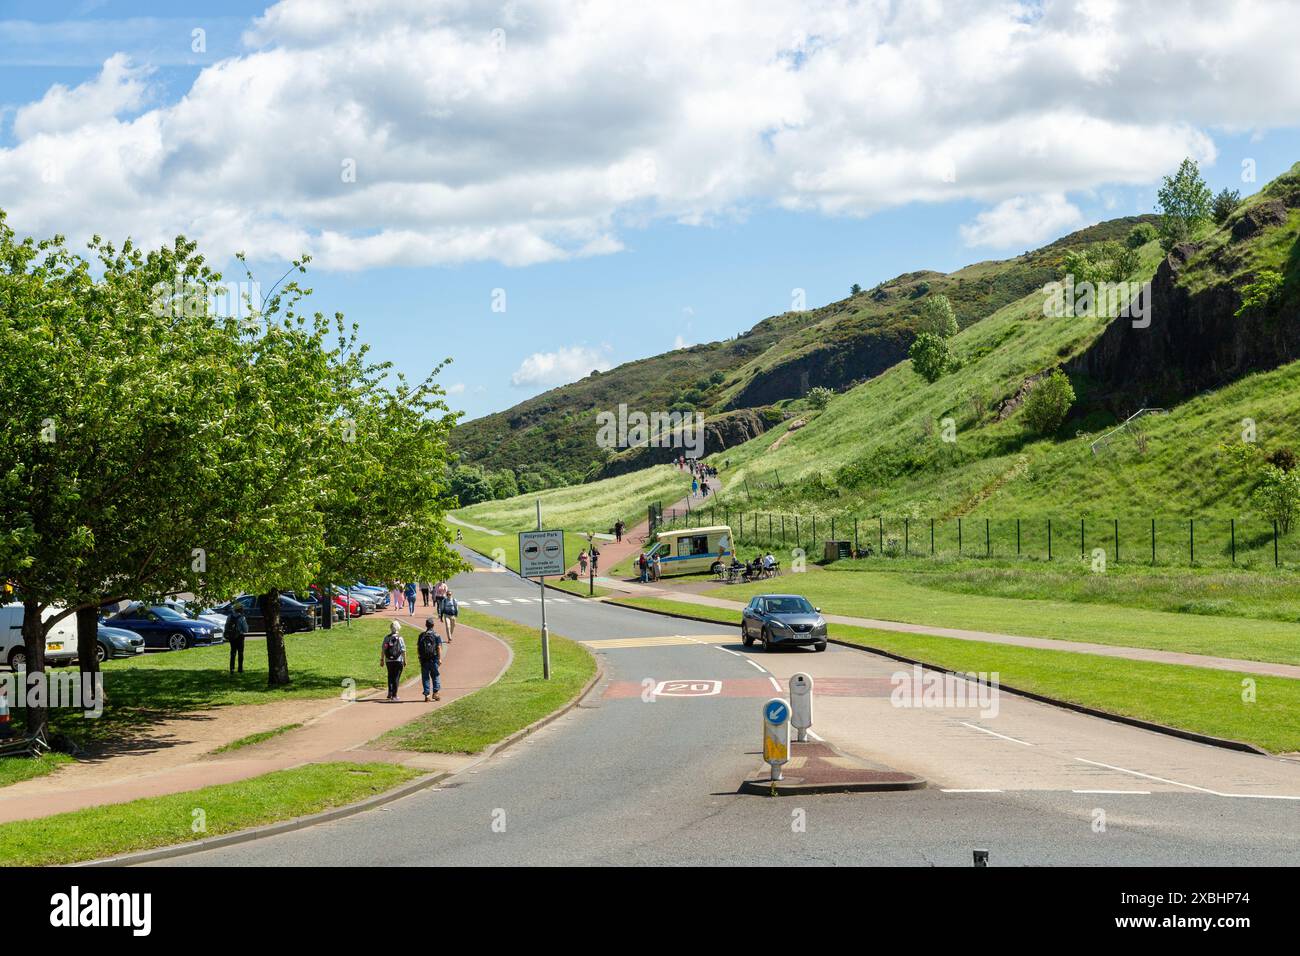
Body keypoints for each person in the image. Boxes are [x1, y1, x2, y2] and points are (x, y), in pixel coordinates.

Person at [417, 617, 443, 702]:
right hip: (434, 658)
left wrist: (419, 657)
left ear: (426, 625)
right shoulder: (436, 635)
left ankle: (427, 695)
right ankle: (435, 693)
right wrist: (439, 658)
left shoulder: (421, 635)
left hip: (424, 659)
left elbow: (418, 647)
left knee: (425, 677)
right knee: (435, 675)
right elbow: (439, 647)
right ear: (433, 625)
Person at [380, 621, 406, 701]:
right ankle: (394, 695)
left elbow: (383, 649)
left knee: (390, 676)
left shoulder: (386, 638)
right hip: (398, 660)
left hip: (388, 660)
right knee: (396, 677)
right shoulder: (400, 638)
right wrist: (405, 660)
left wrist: (382, 660)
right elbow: (403, 650)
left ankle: (390, 693)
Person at [225, 602, 248, 674]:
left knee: (233, 652)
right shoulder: (242, 618)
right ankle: (240, 669)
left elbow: (226, 627)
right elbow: (246, 630)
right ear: (240, 609)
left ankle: (232, 669)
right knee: (240, 653)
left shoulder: (229, 616)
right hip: (240, 637)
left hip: (232, 637)